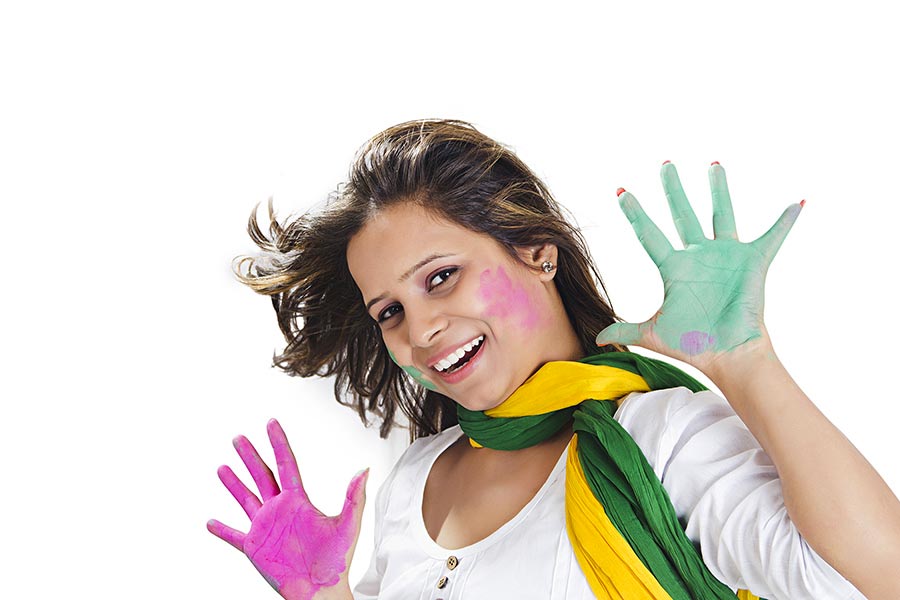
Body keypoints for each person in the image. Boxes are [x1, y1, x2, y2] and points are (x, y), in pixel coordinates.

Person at [207, 119, 900, 599]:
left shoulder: (659, 439)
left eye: (441, 276)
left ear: (537, 253)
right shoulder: (418, 480)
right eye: (389, 311)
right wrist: (326, 596)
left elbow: (876, 577)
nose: (420, 330)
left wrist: (747, 362)